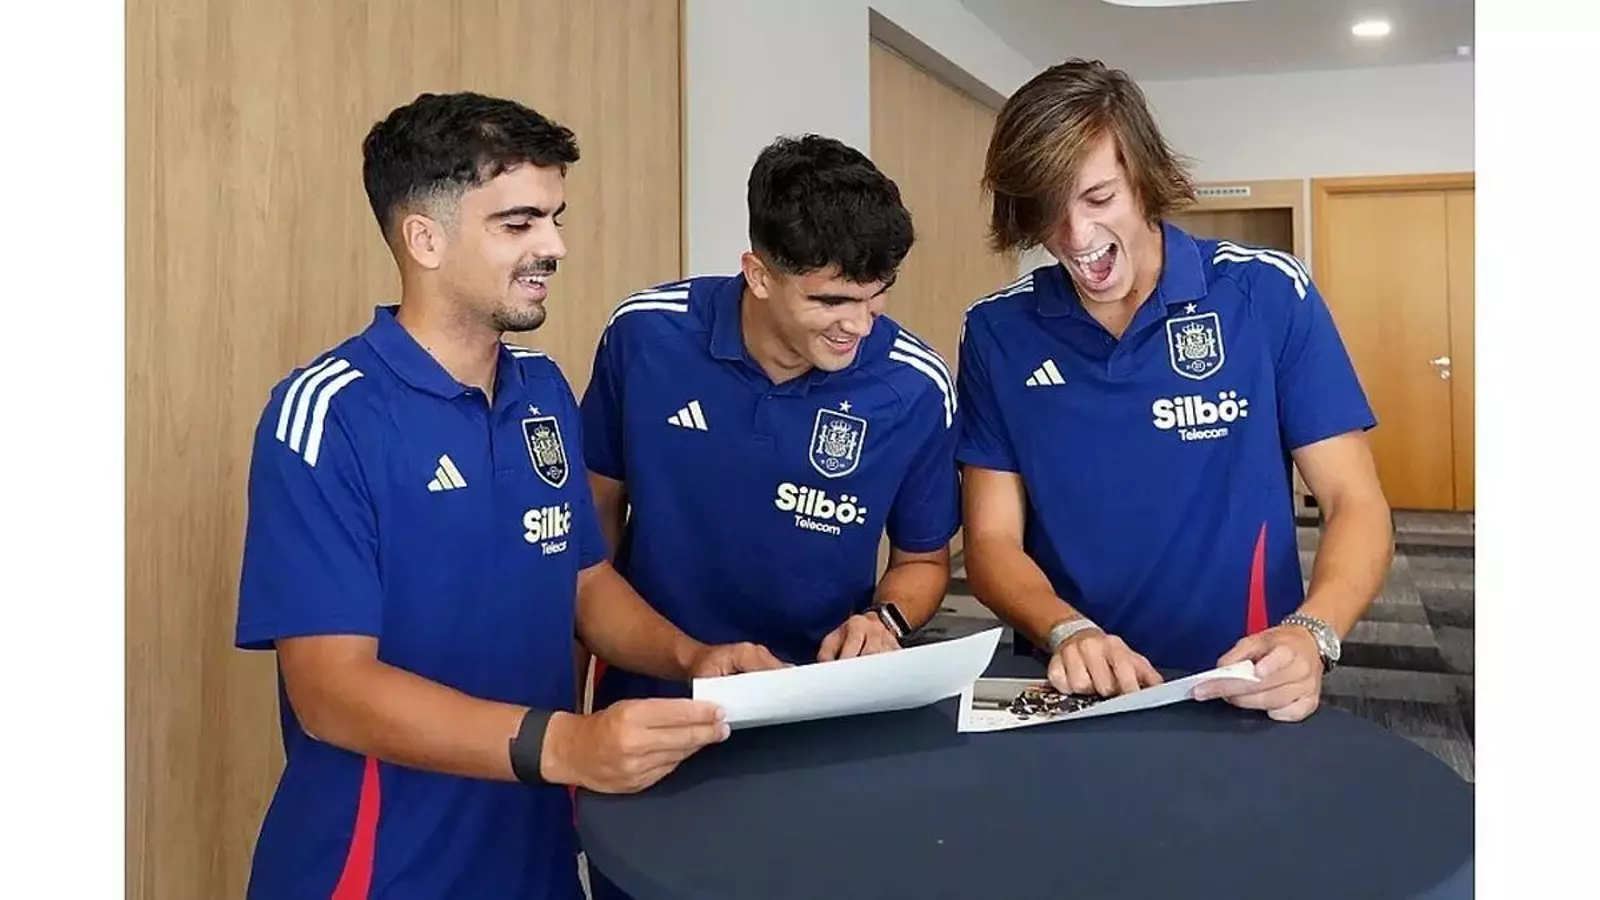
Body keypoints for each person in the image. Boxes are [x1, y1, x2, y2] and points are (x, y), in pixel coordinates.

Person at [232, 91, 783, 900]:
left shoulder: (543, 390)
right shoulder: (327, 414)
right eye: (518, 223)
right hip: (383, 871)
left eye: (554, 219)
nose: (554, 246)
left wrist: (692, 658)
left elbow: (582, 582)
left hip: (536, 857)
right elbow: (331, 692)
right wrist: (566, 745)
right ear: (424, 238)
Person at [575, 133, 960, 898]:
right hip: (656, 703)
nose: (859, 325)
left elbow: (922, 561)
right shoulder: (645, 336)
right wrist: (572, 713)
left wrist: (885, 621)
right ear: (757, 274)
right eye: (830, 301)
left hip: (818, 721)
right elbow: (589, 540)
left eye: (876, 295)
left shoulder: (915, 386)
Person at [956, 59, 1394, 724]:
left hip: (1242, 677)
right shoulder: (997, 331)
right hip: (1075, 681)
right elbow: (990, 540)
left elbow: (1354, 501)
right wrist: (1067, 630)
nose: (1075, 237)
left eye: (1098, 199)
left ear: (1144, 177)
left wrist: (1313, 632)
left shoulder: (1267, 293)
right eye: (1048, 208)